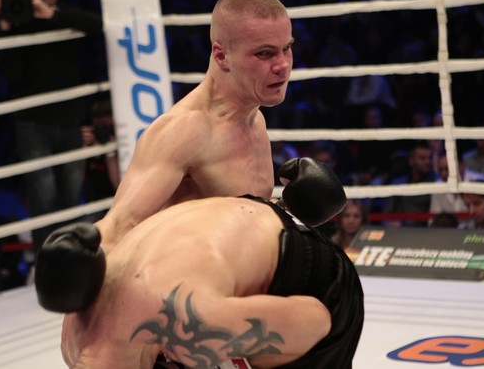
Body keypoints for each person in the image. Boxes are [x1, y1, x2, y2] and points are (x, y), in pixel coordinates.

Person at [35, 158, 363, 369]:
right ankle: (288, 208)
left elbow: (316, 320)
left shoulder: (193, 326)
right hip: (233, 222)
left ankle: (289, 212)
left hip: (321, 285)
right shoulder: (73, 338)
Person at [94, 0, 294, 252]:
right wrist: (75, 261)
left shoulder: (255, 120)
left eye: (287, 48)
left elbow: (241, 216)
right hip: (183, 272)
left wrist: (287, 207)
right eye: (265, 53)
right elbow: (119, 226)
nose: (282, 65)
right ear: (222, 56)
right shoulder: (185, 130)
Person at [0, 0, 104, 254]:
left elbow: (97, 24)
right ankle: (48, 265)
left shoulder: (64, 16)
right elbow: (11, 75)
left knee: (70, 197)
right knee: (44, 199)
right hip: (33, 123)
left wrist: (51, 14)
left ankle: (71, 260)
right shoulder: (20, 20)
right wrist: (5, 27)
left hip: (70, 120)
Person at [80, 98, 119, 222]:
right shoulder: (89, 141)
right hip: (93, 207)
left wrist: (110, 152)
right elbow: (77, 186)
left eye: (107, 114)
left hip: (118, 204)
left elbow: (119, 186)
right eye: (96, 115)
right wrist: (83, 150)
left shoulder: (125, 139)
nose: (102, 120)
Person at [384, 140, 439, 227]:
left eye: (430, 158)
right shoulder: (399, 183)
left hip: (428, 229)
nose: (427, 162)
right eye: (422, 158)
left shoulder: (437, 182)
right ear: (411, 161)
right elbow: (388, 212)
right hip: (401, 230)